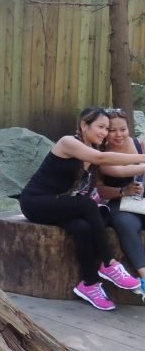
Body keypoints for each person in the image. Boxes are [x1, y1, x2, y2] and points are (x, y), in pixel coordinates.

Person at [19, 106, 145, 311]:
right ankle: (109, 263)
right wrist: (142, 158)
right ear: (84, 125)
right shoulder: (68, 142)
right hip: (36, 202)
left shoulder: (94, 150)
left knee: (82, 228)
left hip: (61, 204)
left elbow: (116, 167)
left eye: (107, 128)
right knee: (87, 205)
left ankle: (89, 284)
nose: (104, 133)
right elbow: (101, 159)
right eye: (101, 127)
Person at [96, 108, 145, 299]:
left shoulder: (140, 145)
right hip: (121, 205)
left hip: (142, 202)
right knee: (125, 225)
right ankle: (143, 276)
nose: (119, 135)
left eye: (123, 129)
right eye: (112, 130)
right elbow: (100, 190)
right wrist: (122, 191)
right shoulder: (101, 154)